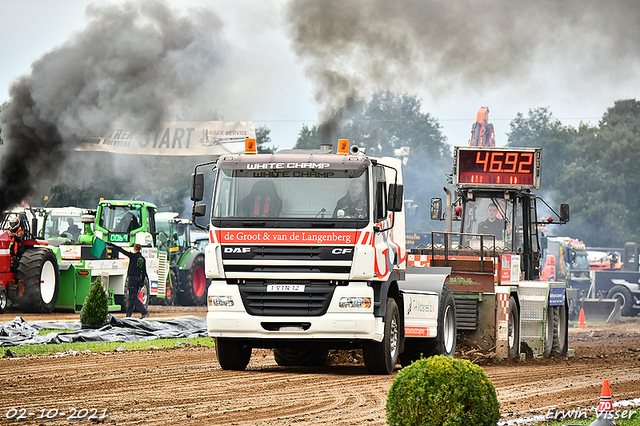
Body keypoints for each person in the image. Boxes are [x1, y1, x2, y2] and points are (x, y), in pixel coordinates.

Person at [108, 242, 149, 319]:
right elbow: (144, 272)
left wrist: (112, 245)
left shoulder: (133, 256)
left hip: (132, 278)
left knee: (133, 297)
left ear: (134, 249)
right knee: (131, 297)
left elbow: (122, 250)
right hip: (138, 279)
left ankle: (144, 311)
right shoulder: (143, 259)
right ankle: (128, 315)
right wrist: (142, 282)